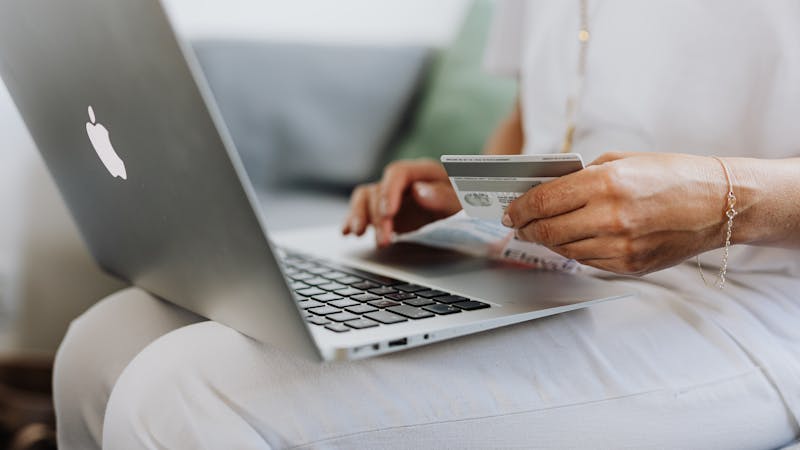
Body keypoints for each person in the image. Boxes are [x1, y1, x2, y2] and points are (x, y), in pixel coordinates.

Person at [54, 1, 800, 448]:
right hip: (549, 267)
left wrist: (721, 197)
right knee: (104, 343)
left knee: (181, 394)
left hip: (739, 301)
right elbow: (533, 117)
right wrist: (478, 188)